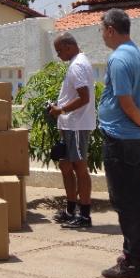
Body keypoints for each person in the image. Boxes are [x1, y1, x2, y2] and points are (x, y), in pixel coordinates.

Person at [97, 9, 140, 278]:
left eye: (102, 29)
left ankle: (134, 260)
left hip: (121, 139)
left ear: (111, 29)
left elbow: (126, 102)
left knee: (125, 201)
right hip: (134, 138)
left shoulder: (117, 59)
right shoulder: (139, 56)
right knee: (136, 198)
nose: (102, 35)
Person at [48, 33, 96, 228]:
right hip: (69, 125)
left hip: (76, 125)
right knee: (66, 166)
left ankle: (84, 216)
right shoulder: (78, 62)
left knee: (79, 168)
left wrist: (61, 109)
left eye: (59, 50)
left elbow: (84, 97)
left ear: (69, 46)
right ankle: (70, 210)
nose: (58, 55)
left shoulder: (77, 65)